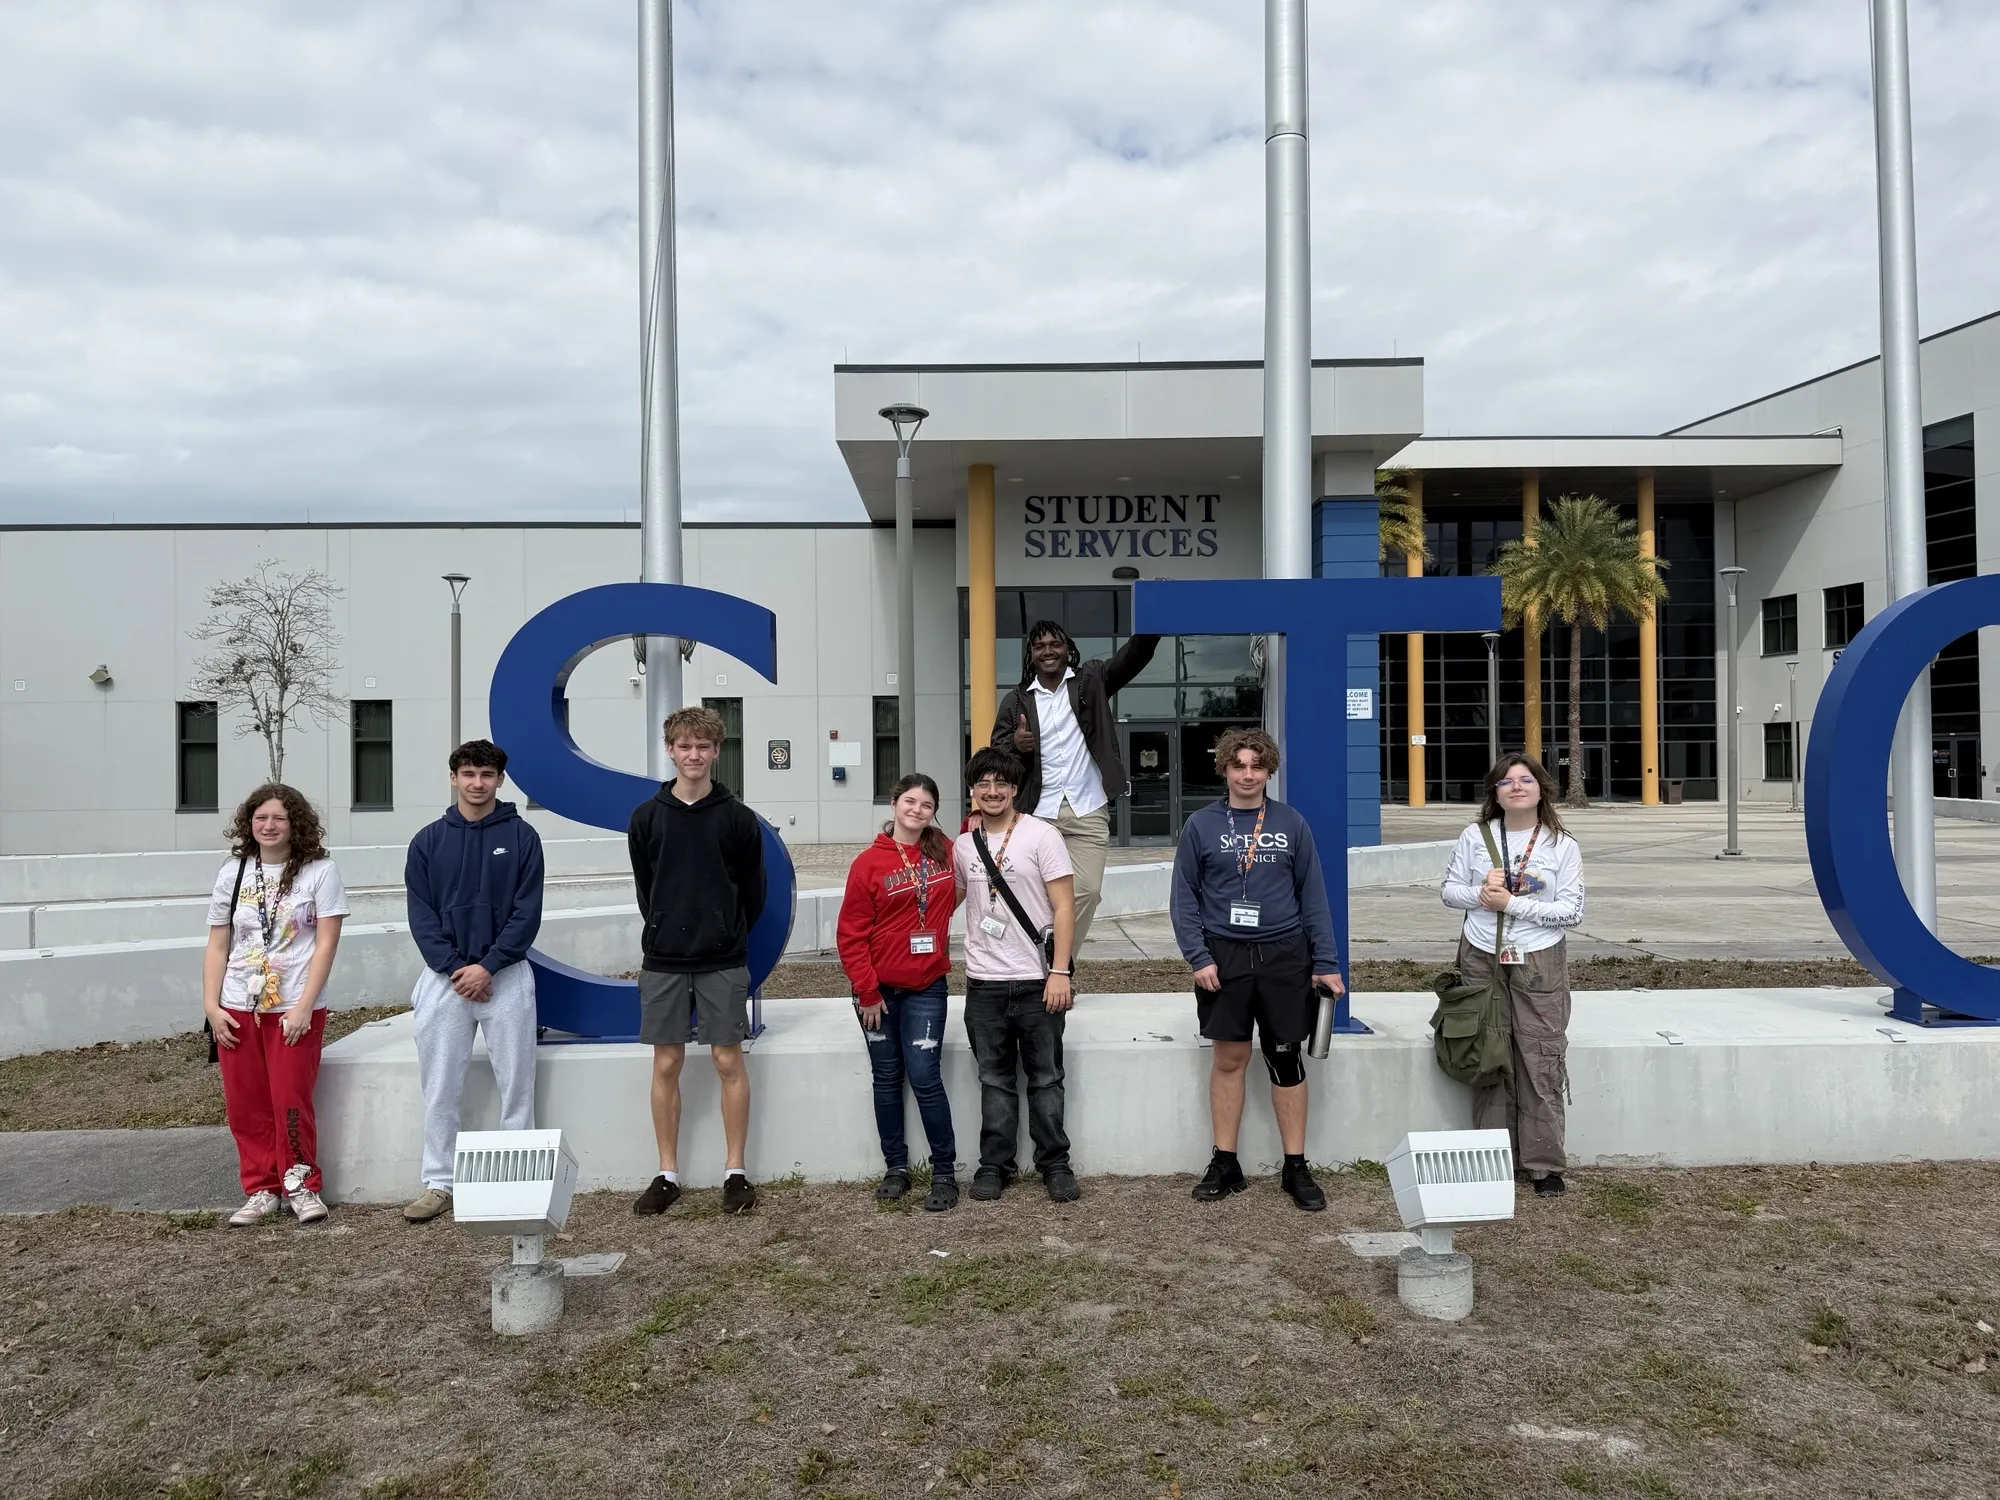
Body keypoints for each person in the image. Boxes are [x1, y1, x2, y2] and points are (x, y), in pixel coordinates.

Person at [1170, 728, 1342, 1212]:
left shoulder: (1291, 823)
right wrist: (1198, 957)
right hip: (1223, 959)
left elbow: (1314, 898)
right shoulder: (1200, 826)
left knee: (1286, 1060)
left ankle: (1295, 1166)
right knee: (1229, 1060)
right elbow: (1183, 896)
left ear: (1269, 770)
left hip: (1286, 957)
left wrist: (1326, 963)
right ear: (1224, 769)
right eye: (1238, 765)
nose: (1248, 774)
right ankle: (1225, 1162)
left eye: (1257, 766)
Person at [400, 739, 547, 1224]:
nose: (477, 783)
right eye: (468, 774)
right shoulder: (426, 841)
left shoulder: (523, 837)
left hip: (505, 977)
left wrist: (489, 965)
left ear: (499, 779)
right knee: (441, 1086)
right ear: (453, 778)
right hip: (445, 981)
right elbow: (421, 916)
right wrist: (456, 968)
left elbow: (527, 912)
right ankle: (439, 1182)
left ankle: (519, 1178)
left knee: (517, 1084)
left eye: (486, 775)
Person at [628, 704, 767, 1216]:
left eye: (702, 746)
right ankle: (667, 1174)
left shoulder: (737, 818)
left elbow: (753, 892)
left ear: (716, 752)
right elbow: (648, 889)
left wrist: (724, 930)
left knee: (728, 1059)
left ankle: (735, 1171)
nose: (693, 754)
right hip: (663, 958)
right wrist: (666, 926)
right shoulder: (645, 818)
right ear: (670, 750)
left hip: (723, 957)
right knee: (666, 1061)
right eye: (684, 746)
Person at [201, 784, 348, 1228]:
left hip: (293, 1006)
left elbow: (326, 944)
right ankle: (261, 1189)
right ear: (250, 823)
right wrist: (211, 1007)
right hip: (237, 1006)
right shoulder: (233, 872)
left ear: (295, 824)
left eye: (279, 818)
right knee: (245, 1104)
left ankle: (301, 1185)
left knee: (289, 1099)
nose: (268, 826)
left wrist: (304, 1007)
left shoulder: (320, 872)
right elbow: (217, 944)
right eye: (261, 817)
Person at [1440, 753, 1586, 1197]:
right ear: (1495, 793)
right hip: (1481, 954)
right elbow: (1449, 892)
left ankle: (1544, 1164)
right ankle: (1492, 1160)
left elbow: (1572, 912)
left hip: (1539, 958)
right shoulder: (1474, 837)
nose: (1516, 787)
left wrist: (1512, 904)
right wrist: (1480, 894)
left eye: (1525, 780)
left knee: (1540, 1056)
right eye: (1506, 782)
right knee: (1487, 1052)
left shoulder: (1561, 844)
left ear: (1543, 788)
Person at [951, 746, 1079, 1203]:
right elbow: (955, 897)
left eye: (1001, 783)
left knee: (1046, 1077)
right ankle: (995, 1165)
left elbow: (1065, 907)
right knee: (995, 1080)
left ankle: (1055, 1164)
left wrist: (1059, 971)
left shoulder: (1042, 836)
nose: (992, 791)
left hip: (1036, 979)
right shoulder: (964, 844)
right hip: (983, 983)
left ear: (1015, 788)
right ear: (972, 790)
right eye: (983, 783)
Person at [989, 621, 1160, 947]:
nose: (1048, 650)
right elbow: (995, 758)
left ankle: (1059, 960)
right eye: (1040, 646)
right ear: (1031, 654)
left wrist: (1157, 615)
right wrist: (1016, 744)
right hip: (1037, 813)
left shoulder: (1092, 681)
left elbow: (1134, 656)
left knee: (1088, 891)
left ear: (1068, 649)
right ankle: (1044, 969)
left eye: (1055, 643)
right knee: (1033, 895)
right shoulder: (1016, 701)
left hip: (1087, 808)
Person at [836, 772, 963, 1212]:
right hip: (877, 994)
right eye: (909, 801)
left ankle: (944, 1173)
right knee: (887, 1078)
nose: (917, 810)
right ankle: (896, 1168)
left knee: (926, 1078)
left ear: (934, 812)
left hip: (927, 985)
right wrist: (867, 991)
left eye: (926, 805)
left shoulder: (945, 851)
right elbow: (850, 935)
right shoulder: (868, 863)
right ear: (893, 804)